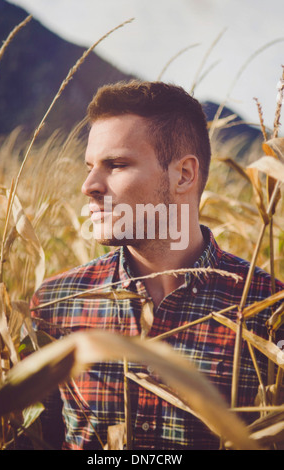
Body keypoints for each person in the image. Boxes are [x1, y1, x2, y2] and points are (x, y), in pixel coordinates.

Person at [30, 80, 283, 450]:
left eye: (115, 164)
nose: (89, 185)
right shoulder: (57, 303)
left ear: (183, 175)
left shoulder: (268, 308)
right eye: (90, 167)